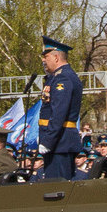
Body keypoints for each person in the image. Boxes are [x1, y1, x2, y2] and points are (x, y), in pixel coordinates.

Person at [36, 37, 84, 182]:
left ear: (56, 57)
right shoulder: (55, 78)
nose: (44, 60)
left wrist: (48, 140)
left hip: (60, 144)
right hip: (57, 143)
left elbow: (59, 113)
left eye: (46, 56)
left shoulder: (64, 78)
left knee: (57, 190)